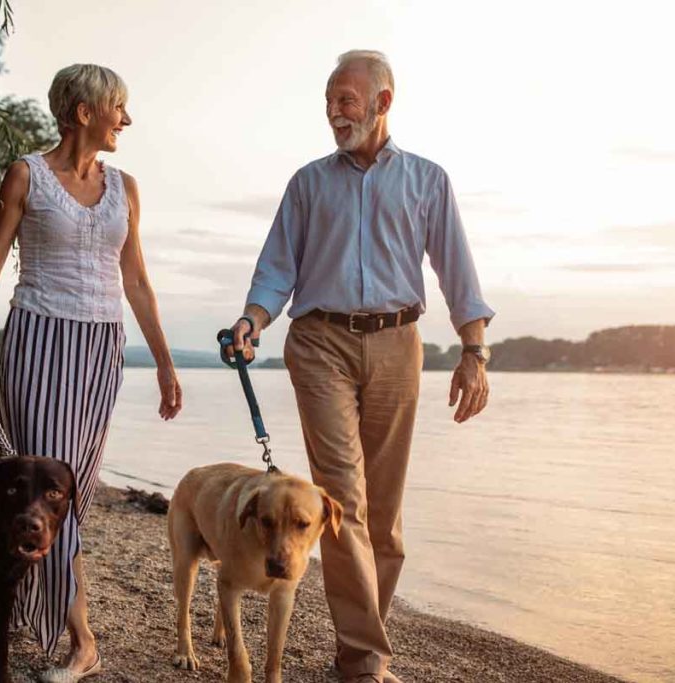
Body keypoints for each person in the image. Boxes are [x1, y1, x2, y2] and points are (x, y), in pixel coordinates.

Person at [226, 50, 494, 683]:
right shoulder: (308, 183)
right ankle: (368, 663)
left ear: (383, 102)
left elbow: (457, 269)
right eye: (328, 101)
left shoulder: (427, 179)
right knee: (342, 497)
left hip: (400, 343)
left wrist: (474, 351)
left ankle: (353, 652)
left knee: (385, 514)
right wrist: (252, 321)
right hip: (319, 343)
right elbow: (276, 268)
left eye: (346, 99)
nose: (334, 112)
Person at [0, 63, 182, 682]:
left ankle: (45, 614)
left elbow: (136, 281)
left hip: (101, 348)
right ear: (85, 112)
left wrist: (164, 363)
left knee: (71, 492)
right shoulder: (27, 174)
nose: (127, 120)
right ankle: (81, 638)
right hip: (40, 335)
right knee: (43, 484)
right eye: (120, 108)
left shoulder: (125, 187)